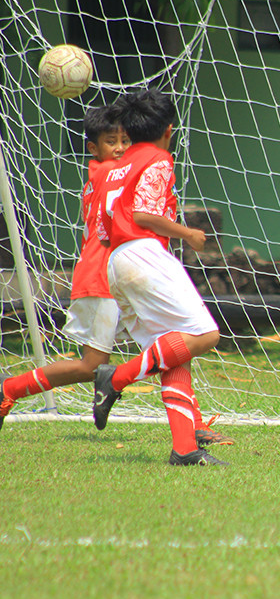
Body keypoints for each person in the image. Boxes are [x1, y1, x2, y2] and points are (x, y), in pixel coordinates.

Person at [91, 88, 228, 466]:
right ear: (168, 130)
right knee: (206, 334)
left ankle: (184, 448)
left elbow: (104, 228)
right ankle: (116, 377)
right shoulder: (159, 158)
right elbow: (143, 215)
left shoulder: (113, 165)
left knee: (173, 354)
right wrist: (189, 234)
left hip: (115, 258)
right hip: (144, 252)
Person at [0, 106, 144, 430]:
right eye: (112, 141)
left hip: (121, 276)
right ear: (94, 148)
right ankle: (8, 389)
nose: (121, 147)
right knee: (92, 366)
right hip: (103, 279)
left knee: (172, 345)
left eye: (126, 140)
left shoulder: (101, 179)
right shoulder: (109, 178)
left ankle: (191, 426)